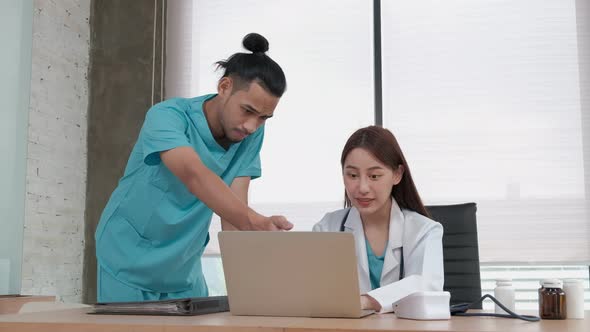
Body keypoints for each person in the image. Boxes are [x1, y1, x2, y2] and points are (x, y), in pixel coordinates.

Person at [95, 33, 293, 302]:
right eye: (247, 110)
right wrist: (255, 220)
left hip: (183, 268)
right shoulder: (167, 116)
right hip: (127, 257)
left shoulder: (250, 134)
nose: (252, 125)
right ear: (224, 87)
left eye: (263, 118)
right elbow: (193, 174)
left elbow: (235, 212)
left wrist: (248, 294)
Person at [313, 126, 443, 313]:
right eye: (352, 175)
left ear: (397, 174)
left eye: (374, 176)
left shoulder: (425, 231)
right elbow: (312, 290)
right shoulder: (327, 228)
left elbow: (427, 286)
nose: (362, 187)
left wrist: (366, 301)